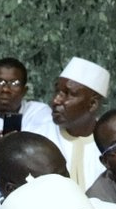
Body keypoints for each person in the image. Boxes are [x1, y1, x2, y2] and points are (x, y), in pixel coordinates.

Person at [46, 56, 110, 187]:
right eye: (57, 91)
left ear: (92, 104)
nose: (56, 100)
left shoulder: (112, 144)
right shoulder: (39, 137)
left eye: (69, 93)